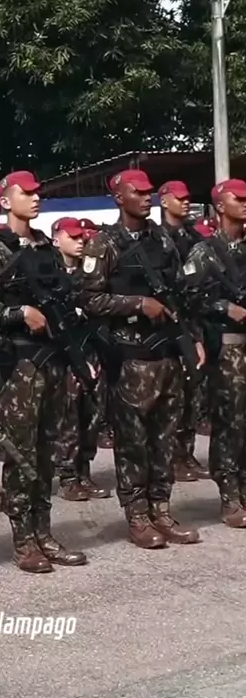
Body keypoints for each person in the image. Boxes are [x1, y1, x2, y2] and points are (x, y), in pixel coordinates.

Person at [0, 170, 87, 572]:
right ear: (5, 201)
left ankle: (44, 533)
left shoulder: (45, 248)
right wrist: (18, 313)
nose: (36, 198)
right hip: (18, 369)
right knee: (21, 457)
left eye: (38, 193)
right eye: (28, 193)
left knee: (47, 454)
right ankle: (24, 540)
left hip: (52, 363)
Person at [81, 169, 204, 548]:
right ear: (119, 197)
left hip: (167, 353)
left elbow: (180, 294)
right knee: (133, 443)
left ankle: (161, 510)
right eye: (139, 192)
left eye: (150, 191)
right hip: (130, 357)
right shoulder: (104, 243)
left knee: (164, 440)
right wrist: (137, 303)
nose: (146, 197)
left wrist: (193, 338)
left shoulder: (162, 238)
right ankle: (137, 516)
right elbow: (88, 298)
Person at [51, 217, 111, 501]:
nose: (80, 241)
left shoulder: (88, 273)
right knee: (68, 417)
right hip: (64, 355)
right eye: (73, 237)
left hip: (91, 350)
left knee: (92, 414)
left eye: (82, 237)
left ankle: (84, 471)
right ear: (56, 240)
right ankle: (68, 477)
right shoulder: (50, 273)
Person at [158, 180, 210, 482]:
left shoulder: (193, 237)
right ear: (165, 201)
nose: (186, 202)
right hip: (170, 321)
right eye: (179, 198)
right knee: (174, 395)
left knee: (193, 391)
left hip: (195, 317)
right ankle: (172, 457)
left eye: (188, 198)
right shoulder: (158, 237)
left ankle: (186, 453)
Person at [203, 179, 246, 527]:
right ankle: (230, 493)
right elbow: (186, 298)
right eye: (239, 199)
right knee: (230, 421)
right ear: (220, 206)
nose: (245, 204)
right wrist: (223, 307)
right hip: (228, 347)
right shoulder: (205, 252)